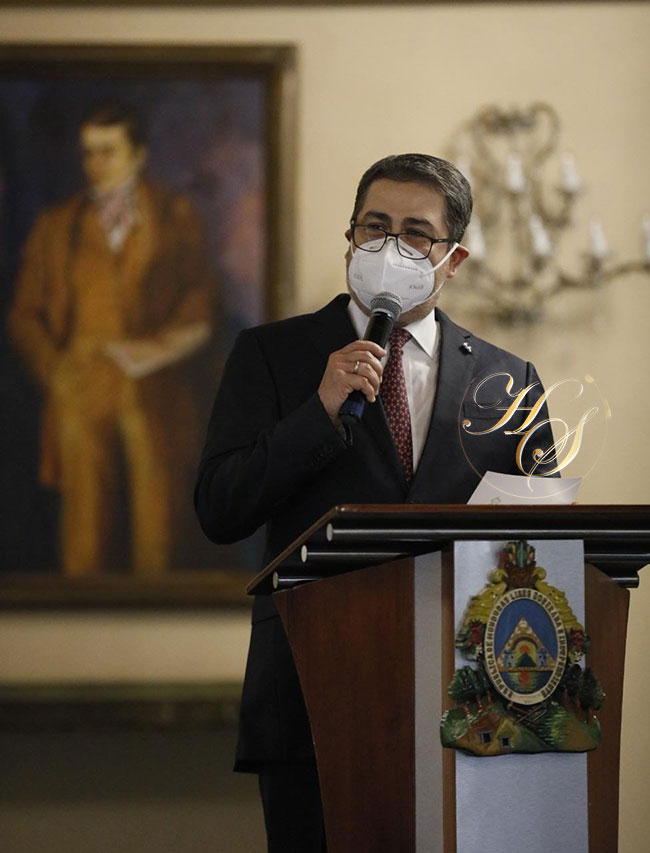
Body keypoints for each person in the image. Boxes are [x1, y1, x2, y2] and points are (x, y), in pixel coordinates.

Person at [194, 153, 555, 851]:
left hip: (473, 704)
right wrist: (319, 411)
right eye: (375, 226)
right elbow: (219, 507)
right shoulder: (271, 354)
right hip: (312, 695)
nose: (391, 246)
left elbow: (543, 536)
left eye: (416, 232)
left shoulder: (510, 379)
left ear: (453, 259)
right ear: (350, 238)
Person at [8, 101, 212, 575]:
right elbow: (24, 315)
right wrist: (56, 372)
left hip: (154, 385)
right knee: (85, 529)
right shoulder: (56, 225)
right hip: (79, 385)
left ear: (138, 154)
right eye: (88, 153)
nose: (95, 163)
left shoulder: (176, 216)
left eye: (108, 151)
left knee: (158, 526)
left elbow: (199, 301)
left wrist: (162, 348)